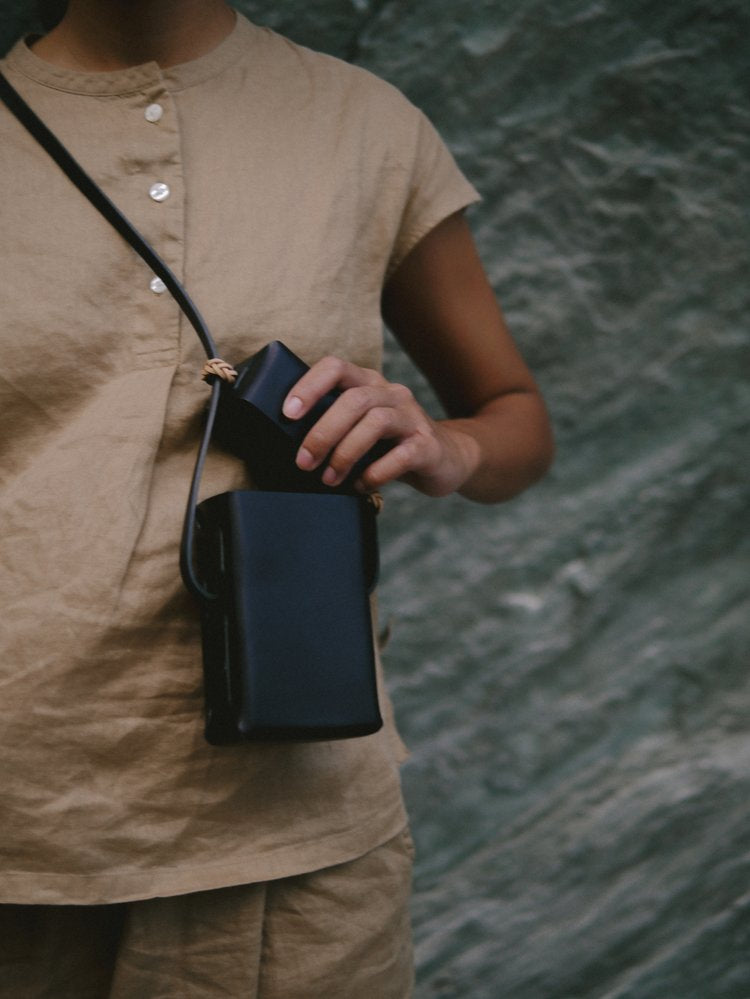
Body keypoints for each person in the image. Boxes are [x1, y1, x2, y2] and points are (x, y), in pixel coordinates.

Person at [0, 1, 554, 995]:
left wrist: (443, 446)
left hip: (294, 837)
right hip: (20, 834)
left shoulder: (363, 124)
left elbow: (515, 418)